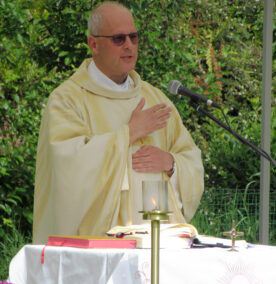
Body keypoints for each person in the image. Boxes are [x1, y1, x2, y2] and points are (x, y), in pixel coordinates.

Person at [32, 1, 204, 244]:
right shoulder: (67, 100)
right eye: (118, 39)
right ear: (94, 44)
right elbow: (66, 168)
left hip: (160, 239)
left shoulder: (155, 99)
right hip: (99, 244)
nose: (129, 46)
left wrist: (171, 163)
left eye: (134, 37)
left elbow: (191, 157)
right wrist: (129, 133)